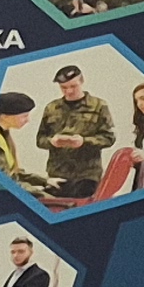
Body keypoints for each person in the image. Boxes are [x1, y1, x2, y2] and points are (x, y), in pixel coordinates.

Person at [37, 64, 115, 201]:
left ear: (82, 81)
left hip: (87, 175)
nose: (69, 91)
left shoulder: (98, 106)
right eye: (64, 87)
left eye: (73, 86)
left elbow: (108, 138)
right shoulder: (51, 108)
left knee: (83, 208)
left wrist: (84, 141)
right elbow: (40, 140)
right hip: (58, 174)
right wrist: (52, 141)